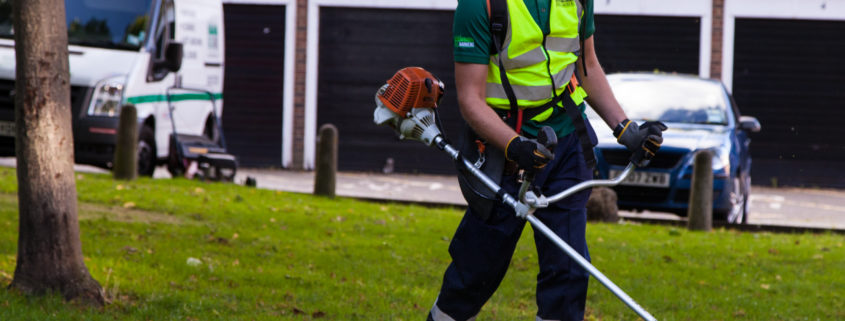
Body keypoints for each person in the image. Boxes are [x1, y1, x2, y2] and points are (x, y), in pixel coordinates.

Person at [428, 0, 666, 320]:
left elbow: (587, 67)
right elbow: (471, 99)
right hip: (505, 150)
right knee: (476, 271)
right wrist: (515, 146)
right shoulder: (480, 5)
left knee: (569, 271)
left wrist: (625, 129)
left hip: (567, 140)